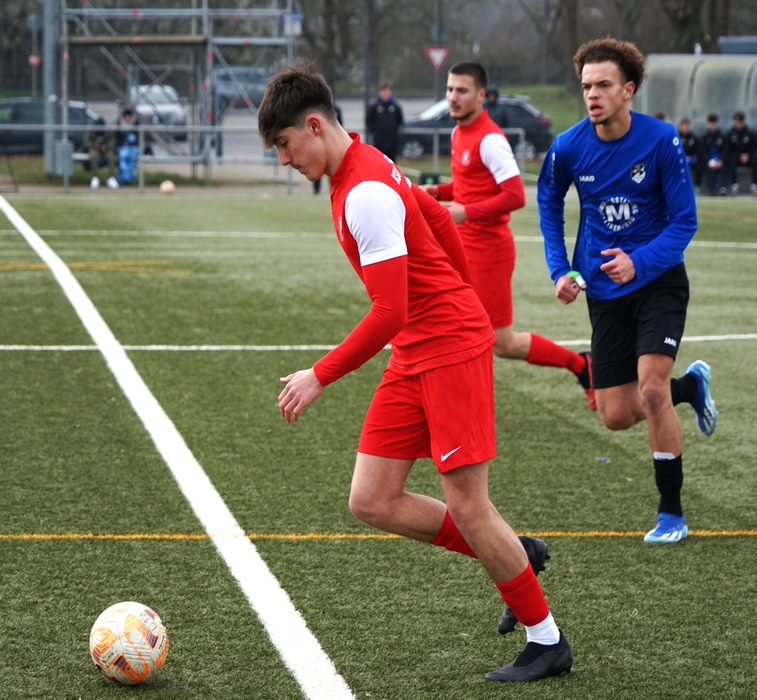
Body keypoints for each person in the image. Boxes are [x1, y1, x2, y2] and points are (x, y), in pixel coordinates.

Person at [259, 63, 572, 683]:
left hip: (446, 348)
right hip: (417, 350)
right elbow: (436, 217)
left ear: (314, 126)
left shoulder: (365, 191)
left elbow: (390, 310)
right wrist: (461, 291)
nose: (285, 160)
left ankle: (547, 640)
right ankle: (516, 554)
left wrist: (319, 374)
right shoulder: (363, 165)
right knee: (372, 499)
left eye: (286, 145)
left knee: (469, 505)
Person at [538, 37, 718, 545]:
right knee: (615, 415)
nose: (592, 95)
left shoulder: (661, 141)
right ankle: (692, 388)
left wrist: (637, 262)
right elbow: (549, 203)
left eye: (603, 85)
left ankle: (671, 513)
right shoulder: (568, 146)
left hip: (659, 283)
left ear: (628, 89)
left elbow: (684, 221)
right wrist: (560, 270)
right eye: (586, 86)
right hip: (603, 291)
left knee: (652, 390)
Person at [421, 61, 594, 414]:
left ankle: (582, 366)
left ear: (480, 95)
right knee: (450, 324)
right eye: (450, 89)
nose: (453, 97)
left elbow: (515, 195)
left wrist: (466, 211)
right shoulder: (458, 133)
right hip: (460, 246)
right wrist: (439, 191)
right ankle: (452, 401)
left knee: (501, 343)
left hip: (489, 251)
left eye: (462, 90)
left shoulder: (490, 140)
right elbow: (468, 187)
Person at [365, 83, 403, 162]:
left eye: (387, 91)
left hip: (392, 142)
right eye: (383, 91)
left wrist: (397, 134)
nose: (385, 94)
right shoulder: (374, 107)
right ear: (380, 93)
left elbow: (400, 121)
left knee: (392, 162)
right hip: (379, 142)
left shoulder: (396, 107)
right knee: (379, 162)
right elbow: (369, 121)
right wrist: (373, 133)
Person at [313, 96, 342, 194]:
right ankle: (316, 190)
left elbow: (340, 126)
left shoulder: (336, 110)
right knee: (317, 167)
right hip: (318, 144)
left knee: (333, 167)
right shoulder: (316, 110)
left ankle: (333, 189)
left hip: (332, 145)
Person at [725, 111, 755, 194]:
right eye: (736, 121)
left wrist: (747, 155)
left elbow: (753, 147)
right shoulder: (730, 134)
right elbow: (728, 149)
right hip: (736, 157)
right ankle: (734, 185)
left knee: (756, 161)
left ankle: (754, 185)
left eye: (740, 121)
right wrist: (739, 155)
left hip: (748, 157)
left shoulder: (749, 133)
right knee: (731, 161)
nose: (738, 123)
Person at [83, 121, 118, 190]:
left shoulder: (107, 131)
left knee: (111, 156)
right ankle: (95, 178)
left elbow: (112, 141)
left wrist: (106, 146)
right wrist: (94, 144)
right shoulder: (91, 131)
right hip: (94, 148)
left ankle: (111, 178)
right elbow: (86, 141)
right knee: (94, 156)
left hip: (106, 148)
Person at [114, 107, 141, 187]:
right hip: (122, 147)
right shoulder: (119, 124)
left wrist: (130, 144)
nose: (127, 118)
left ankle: (130, 178)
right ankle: (123, 179)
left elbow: (139, 138)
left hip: (133, 147)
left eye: (129, 116)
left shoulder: (136, 124)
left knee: (130, 158)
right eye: (126, 116)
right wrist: (123, 144)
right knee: (122, 157)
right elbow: (117, 138)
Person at [700, 113, 726, 195]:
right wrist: (709, 161)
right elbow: (702, 152)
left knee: (725, 165)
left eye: (714, 124)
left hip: (720, 160)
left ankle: (723, 188)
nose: (713, 126)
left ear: (717, 123)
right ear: (708, 124)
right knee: (705, 167)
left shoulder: (722, 136)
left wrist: (721, 160)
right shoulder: (704, 137)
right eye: (711, 124)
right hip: (709, 160)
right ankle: (711, 189)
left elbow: (726, 150)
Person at [677, 118, 702, 189]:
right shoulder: (676, 138)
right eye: (683, 125)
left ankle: (697, 186)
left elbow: (698, 151)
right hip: (679, 159)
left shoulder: (694, 138)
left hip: (692, 159)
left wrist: (692, 157)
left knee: (700, 166)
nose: (685, 127)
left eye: (687, 125)